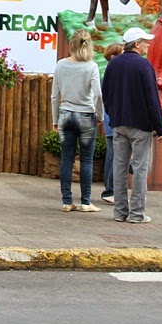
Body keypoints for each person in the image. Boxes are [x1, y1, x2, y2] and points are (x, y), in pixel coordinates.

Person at [101, 26, 162, 224]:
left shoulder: (113, 64)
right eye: (145, 42)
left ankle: (120, 212)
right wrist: (159, 126)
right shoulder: (144, 65)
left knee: (119, 167)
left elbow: (106, 94)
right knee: (140, 168)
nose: (148, 45)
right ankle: (137, 213)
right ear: (137, 44)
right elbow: (152, 98)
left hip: (119, 124)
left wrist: (114, 114)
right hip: (141, 126)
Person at [52, 28, 104, 212]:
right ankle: (86, 201)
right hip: (86, 116)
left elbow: (54, 96)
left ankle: (67, 201)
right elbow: (97, 95)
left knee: (66, 159)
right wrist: (99, 115)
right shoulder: (91, 67)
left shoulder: (60, 65)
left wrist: (55, 119)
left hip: (66, 114)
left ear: (71, 44)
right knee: (86, 160)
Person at [100, 43, 124, 205]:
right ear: (113, 57)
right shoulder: (114, 74)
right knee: (116, 155)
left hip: (109, 118)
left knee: (112, 154)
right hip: (113, 119)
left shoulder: (107, 73)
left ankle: (109, 189)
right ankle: (110, 190)